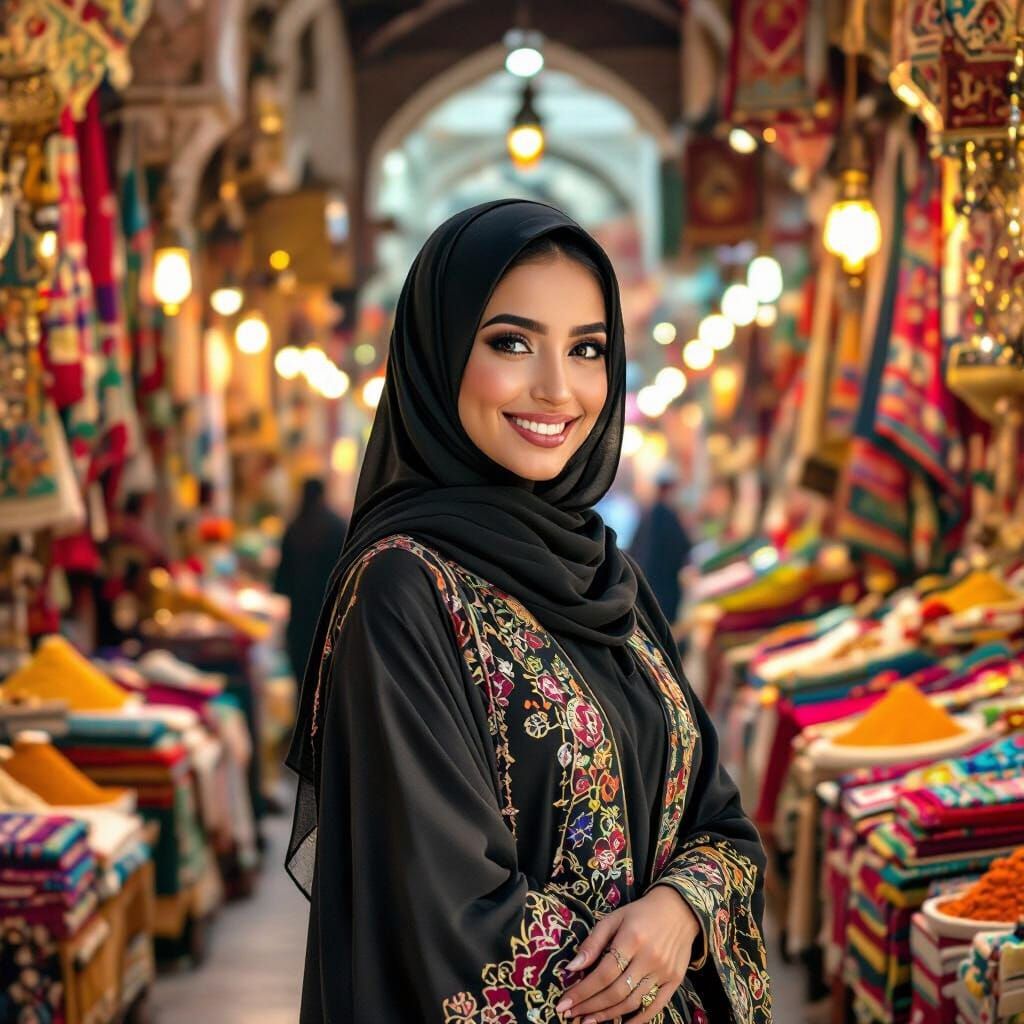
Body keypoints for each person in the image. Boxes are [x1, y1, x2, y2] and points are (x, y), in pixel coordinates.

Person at [285, 201, 771, 1024]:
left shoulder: (604, 573)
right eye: (511, 343)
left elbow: (718, 823)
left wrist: (678, 911)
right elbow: (445, 915)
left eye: (587, 349)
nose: (558, 389)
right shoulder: (402, 592)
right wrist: (638, 986)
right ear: (439, 358)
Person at [273, 477, 348, 681]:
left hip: (299, 620)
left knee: (303, 681)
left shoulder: (294, 528)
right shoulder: (338, 528)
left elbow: (281, 581)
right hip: (329, 617)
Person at [630, 474, 693, 624]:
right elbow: (682, 546)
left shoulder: (650, 513)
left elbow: (636, 548)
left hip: (649, 582)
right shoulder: (667, 515)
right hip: (665, 584)